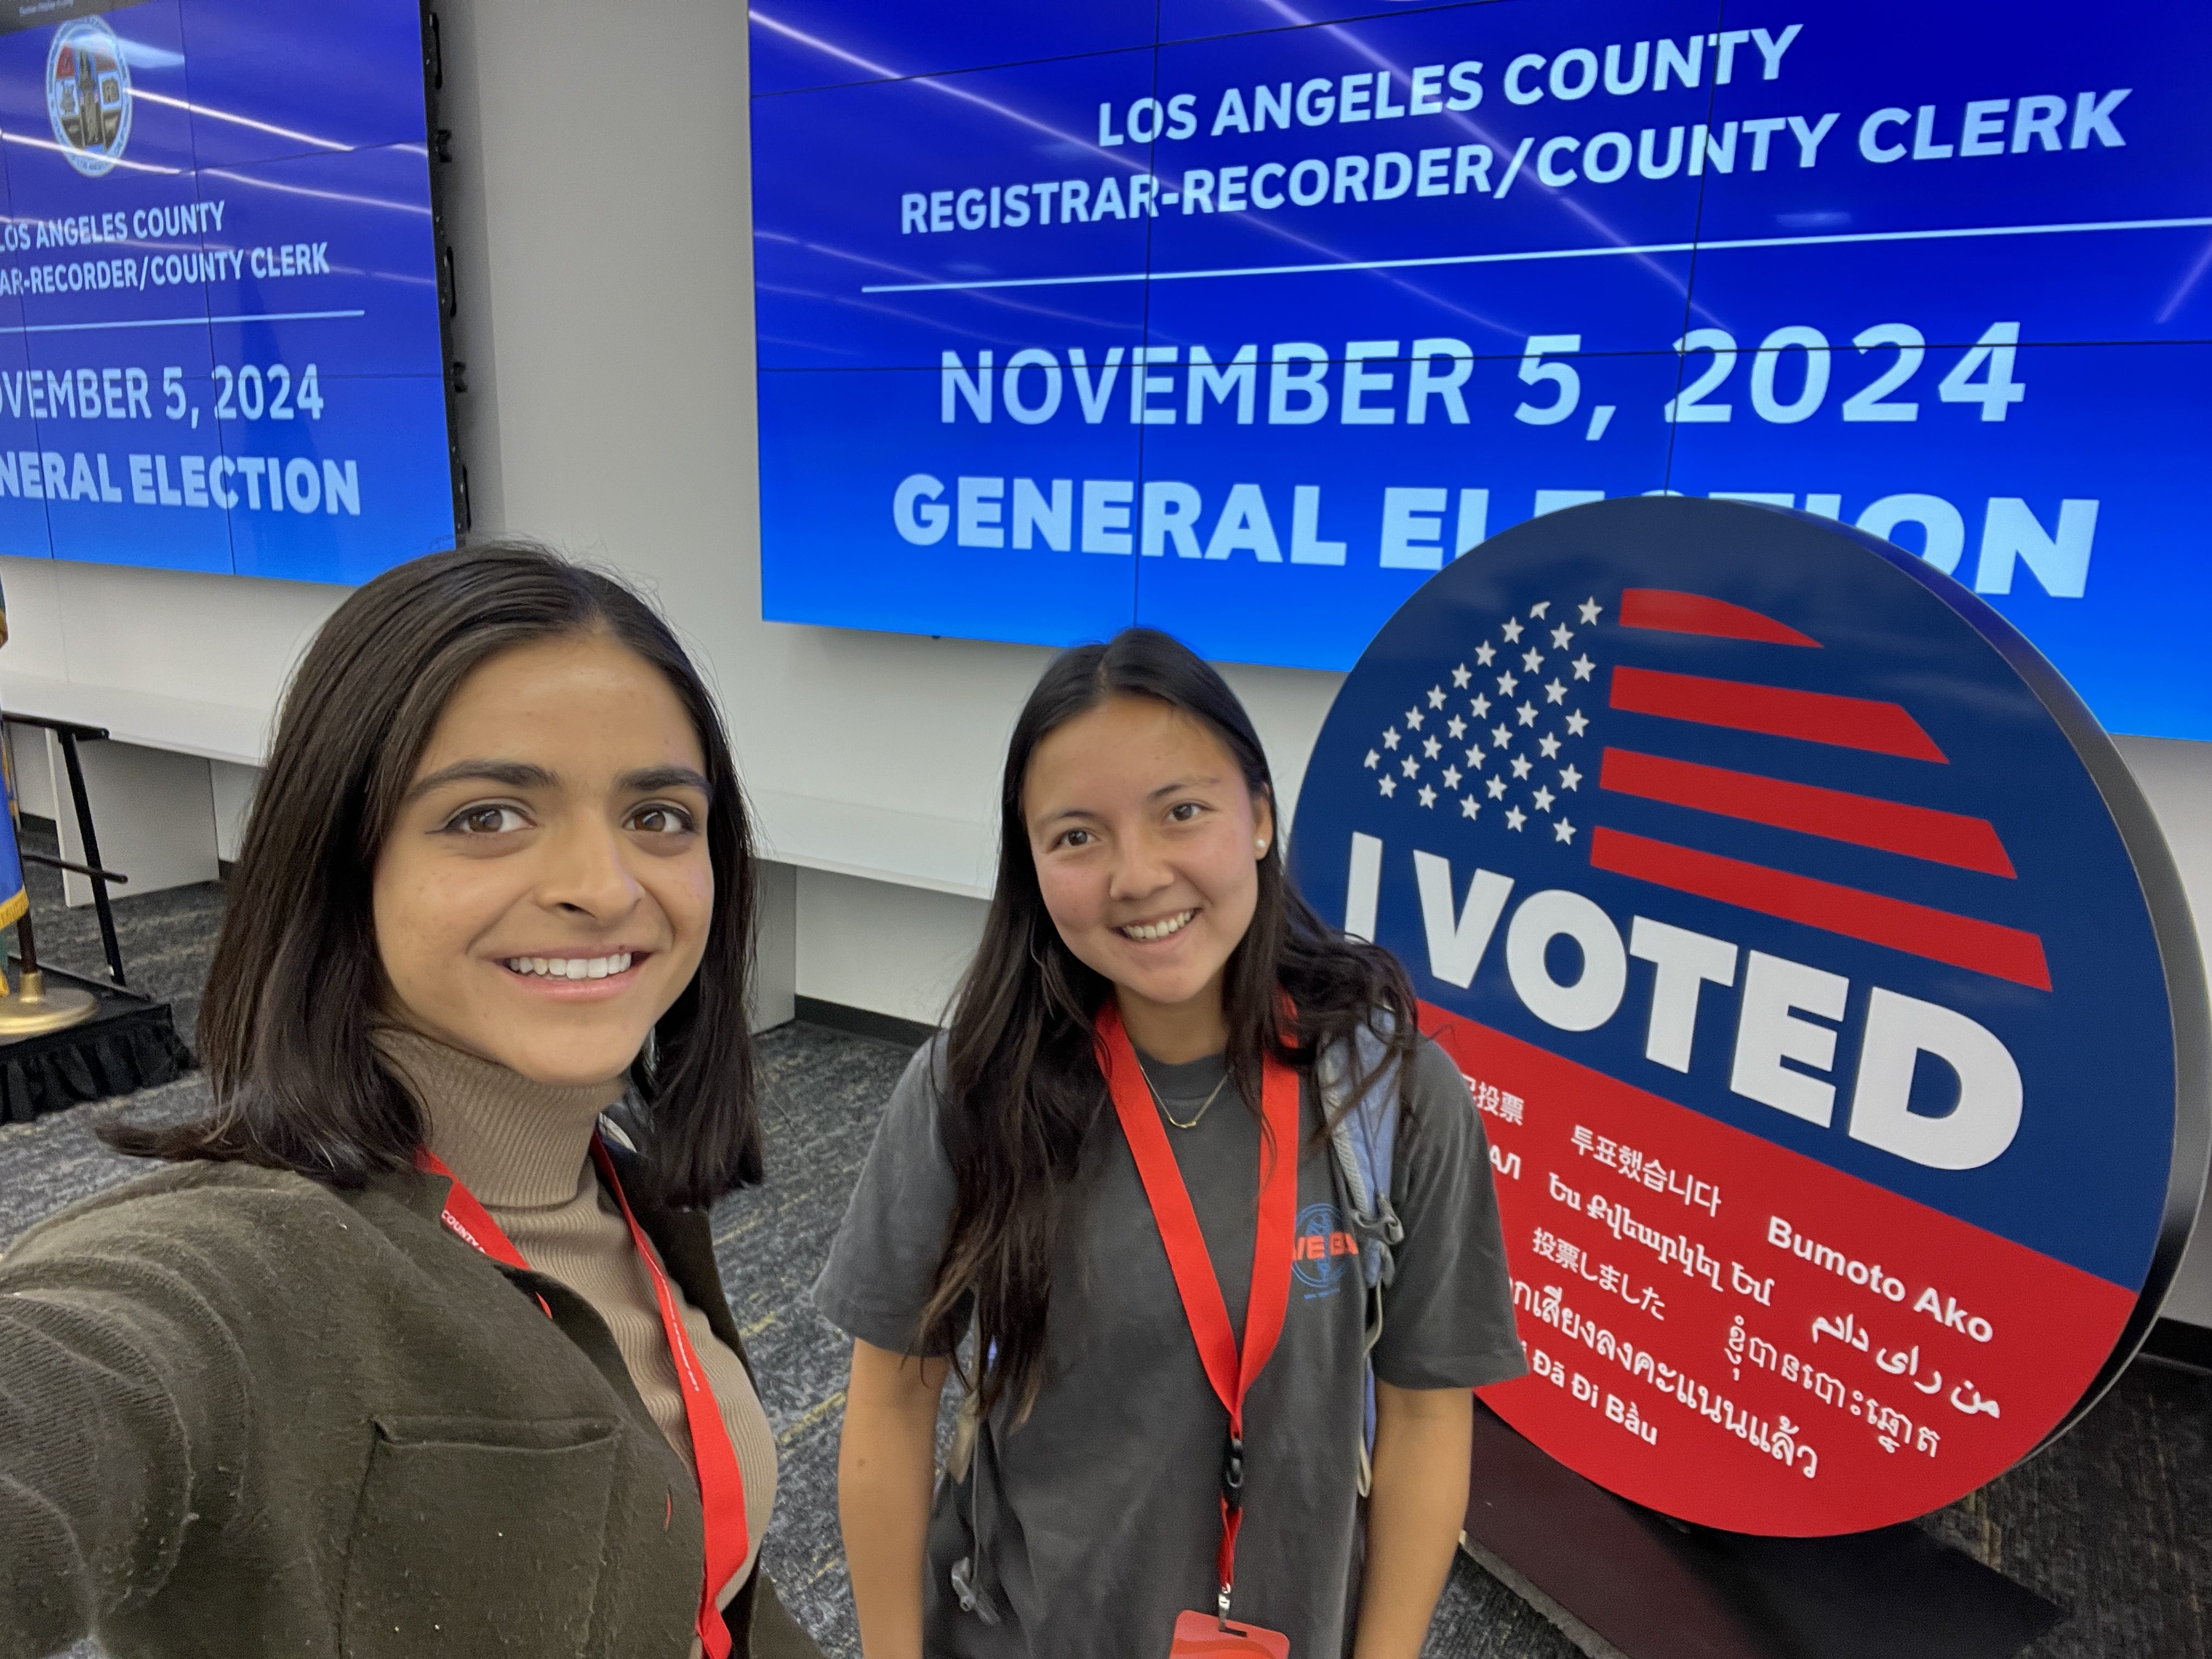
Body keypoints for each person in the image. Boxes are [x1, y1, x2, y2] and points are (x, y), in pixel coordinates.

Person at [0, 540, 821, 1659]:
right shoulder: (238, 1272)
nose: (604, 885)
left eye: (659, 817)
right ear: (341, 861)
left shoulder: (620, 1185)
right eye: (487, 816)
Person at [819, 628, 1524, 1659]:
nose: (1137, 876)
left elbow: (1425, 1421)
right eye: (1077, 837)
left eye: (1181, 812)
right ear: (1033, 866)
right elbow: (887, 1403)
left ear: (1260, 820)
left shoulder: (1394, 1094)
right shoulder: (975, 1090)